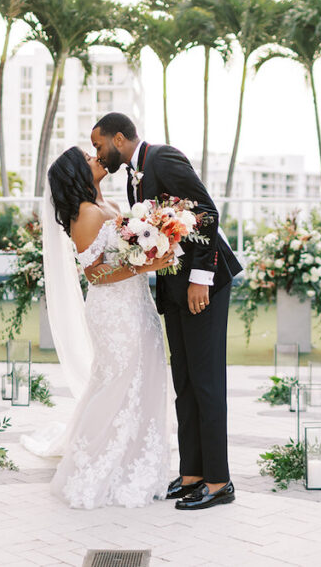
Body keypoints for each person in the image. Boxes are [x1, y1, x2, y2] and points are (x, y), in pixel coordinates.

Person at [92, 112, 242, 510]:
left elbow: (207, 213)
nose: (98, 153)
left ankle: (218, 480)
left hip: (203, 284)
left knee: (207, 382)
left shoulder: (164, 157)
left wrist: (200, 278)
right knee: (186, 381)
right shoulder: (132, 175)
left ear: (119, 138)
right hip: (174, 289)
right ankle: (192, 473)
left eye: (99, 145)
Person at [44, 145, 173, 509]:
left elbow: (129, 250)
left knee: (145, 377)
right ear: (76, 174)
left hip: (138, 304)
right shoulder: (84, 214)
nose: (95, 158)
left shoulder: (112, 205)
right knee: (116, 382)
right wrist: (145, 267)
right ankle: (94, 464)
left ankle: (136, 459)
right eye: (87, 158)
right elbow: (95, 275)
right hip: (112, 310)